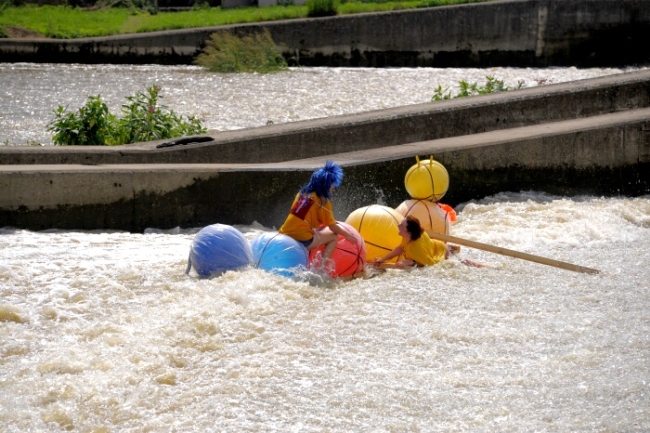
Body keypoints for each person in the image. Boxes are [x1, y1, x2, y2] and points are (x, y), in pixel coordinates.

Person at [279, 160, 356, 262]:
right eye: (333, 184)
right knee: (333, 237)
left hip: (284, 234)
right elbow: (332, 226)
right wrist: (348, 235)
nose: (334, 187)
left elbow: (300, 216)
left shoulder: (302, 194)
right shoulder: (323, 201)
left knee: (317, 231)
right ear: (327, 185)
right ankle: (323, 267)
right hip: (303, 239)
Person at [372, 215, 448, 268]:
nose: (398, 225)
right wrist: (382, 259)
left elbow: (431, 265)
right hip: (436, 245)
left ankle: (450, 248)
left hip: (442, 252)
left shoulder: (416, 249)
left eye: (401, 225)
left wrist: (411, 262)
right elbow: (401, 248)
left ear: (409, 232)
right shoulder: (408, 236)